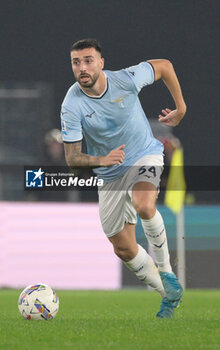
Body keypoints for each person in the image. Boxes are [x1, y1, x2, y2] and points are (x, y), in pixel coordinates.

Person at [60, 38, 187, 318]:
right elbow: (72, 159)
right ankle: (169, 295)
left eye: (88, 60)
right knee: (124, 248)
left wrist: (181, 107)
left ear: (101, 63)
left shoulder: (126, 79)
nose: (82, 67)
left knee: (144, 205)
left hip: (144, 155)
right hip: (109, 173)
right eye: (76, 62)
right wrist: (100, 160)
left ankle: (166, 271)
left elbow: (164, 66)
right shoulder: (71, 104)